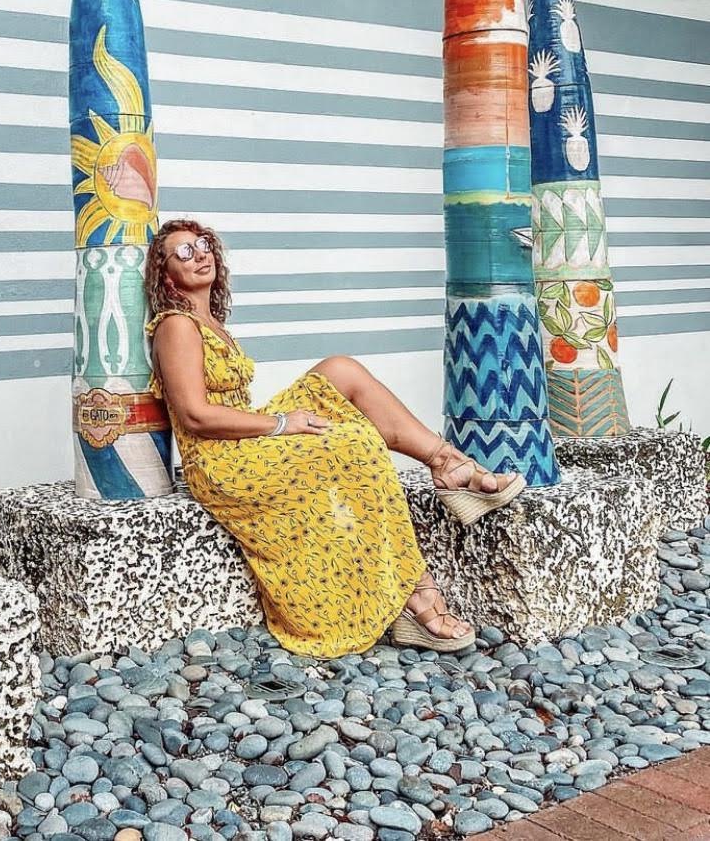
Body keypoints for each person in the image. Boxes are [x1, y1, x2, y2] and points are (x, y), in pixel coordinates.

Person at [144, 218, 526, 658]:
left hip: (243, 439)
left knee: (339, 370)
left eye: (204, 244)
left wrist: (282, 423)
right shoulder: (177, 325)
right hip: (220, 462)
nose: (201, 254)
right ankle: (417, 594)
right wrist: (284, 424)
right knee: (354, 443)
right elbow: (195, 416)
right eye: (184, 252)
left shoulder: (210, 322)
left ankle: (446, 463)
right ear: (166, 275)